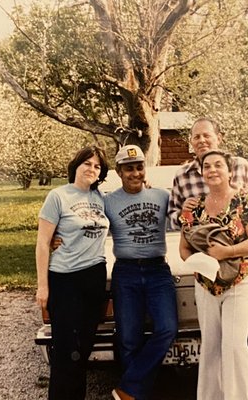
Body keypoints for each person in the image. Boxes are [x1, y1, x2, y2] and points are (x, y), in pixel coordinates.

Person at [168, 117, 248, 399]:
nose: (212, 169)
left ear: (229, 170)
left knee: (238, 345)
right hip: (206, 284)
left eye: (218, 166)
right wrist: (198, 261)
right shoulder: (193, 201)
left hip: (239, 279)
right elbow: (181, 236)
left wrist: (228, 252)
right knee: (211, 345)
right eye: (196, 137)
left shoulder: (246, 192)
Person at [35, 146, 110, 400]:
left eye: (97, 166)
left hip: (94, 278)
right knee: (66, 350)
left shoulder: (100, 197)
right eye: (87, 164)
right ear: (75, 166)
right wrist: (43, 286)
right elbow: (43, 242)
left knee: (83, 349)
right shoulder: (58, 196)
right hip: (65, 280)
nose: (91, 169)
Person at [106, 145, 178, 400]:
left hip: (158, 270)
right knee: (128, 338)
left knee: (167, 328)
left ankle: (128, 388)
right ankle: (136, 395)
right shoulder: (108, 201)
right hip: (126, 272)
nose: (135, 173)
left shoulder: (162, 196)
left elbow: (187, 218)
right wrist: (57, 237)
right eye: (129, 169)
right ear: (119, 171)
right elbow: (84, 225)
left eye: (139, 167)